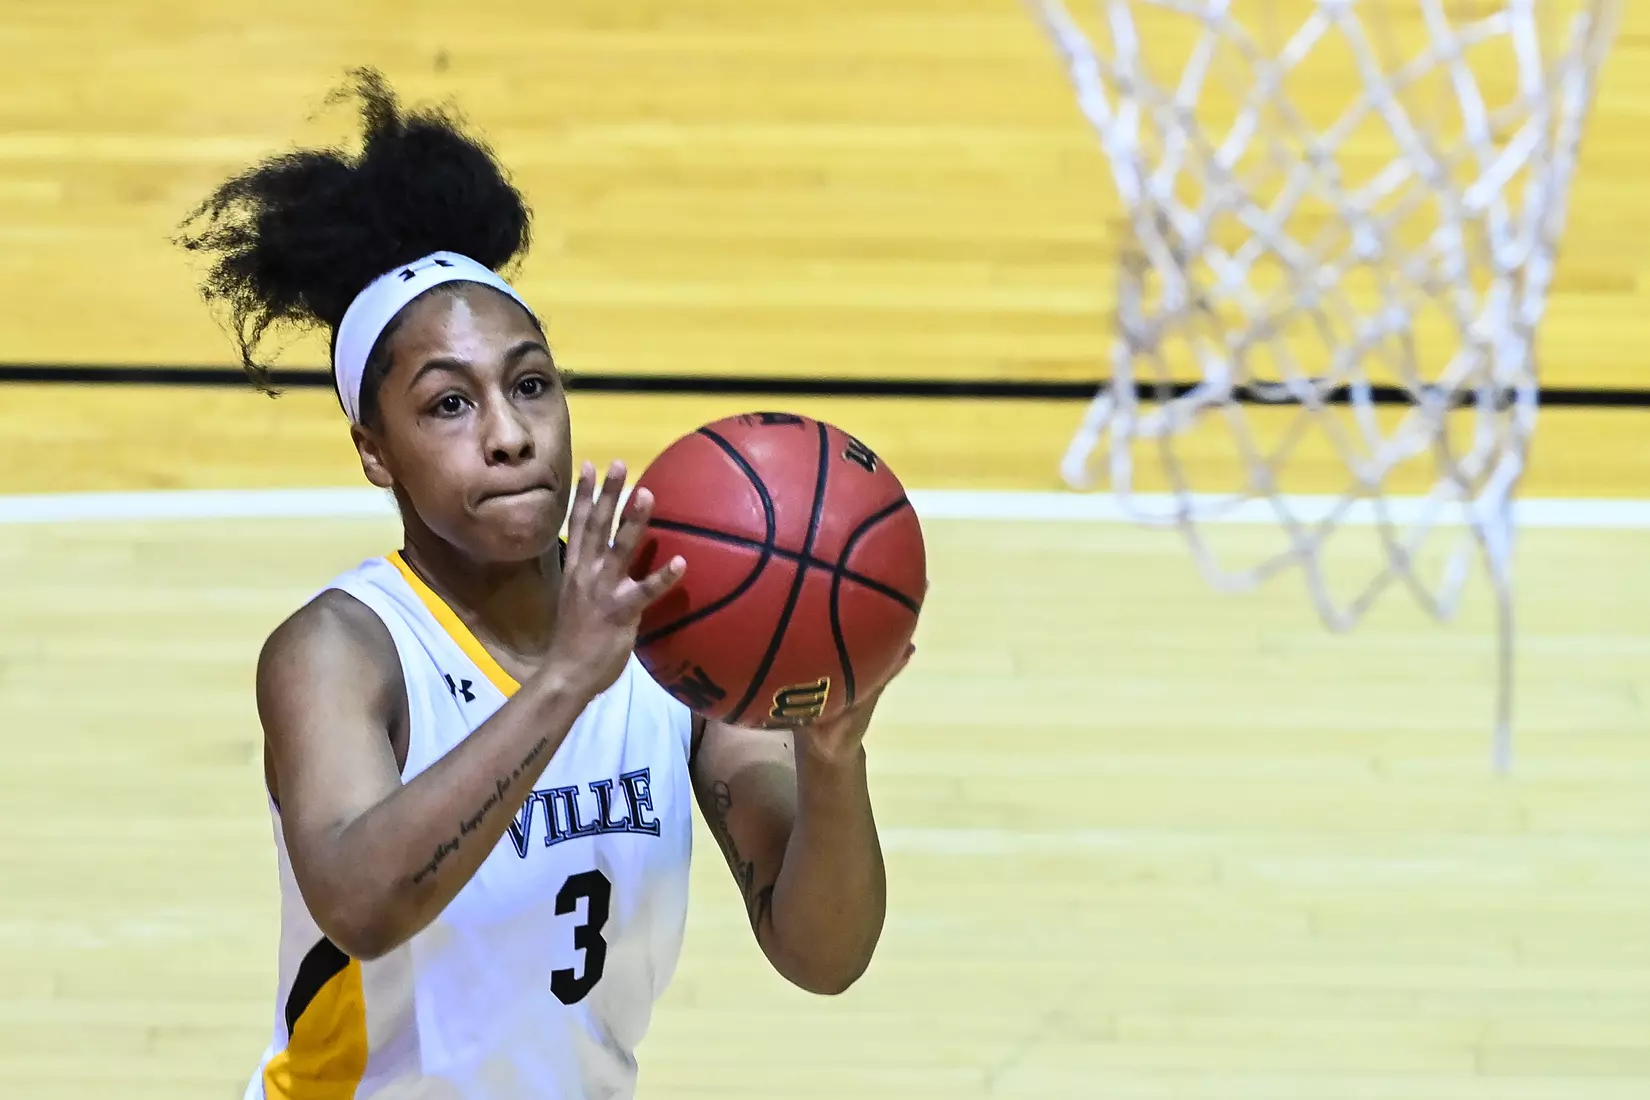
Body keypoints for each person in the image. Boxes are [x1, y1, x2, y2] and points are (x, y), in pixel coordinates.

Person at [177, 70, 904, 1100]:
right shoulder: (343, 648)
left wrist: (833, 757)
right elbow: (361, 899)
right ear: (374, 450)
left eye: (529, 384)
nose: (510, 433)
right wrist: (564, 679)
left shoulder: (673, 627)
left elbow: (822, 952)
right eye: (447, 405)